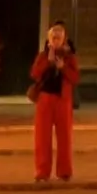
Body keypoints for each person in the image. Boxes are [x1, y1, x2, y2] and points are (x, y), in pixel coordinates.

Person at [30, 22, 79, 182]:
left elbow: (75, 78)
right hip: (45, 99)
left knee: (64, 136)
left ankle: (64, 171)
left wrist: (63, 67)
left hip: (62, 100)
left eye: (59, 37)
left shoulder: (70, 57)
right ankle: (42, 172)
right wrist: (48, 63)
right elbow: (34, 73)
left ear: (64, 39)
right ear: (48, 39)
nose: (56, 40)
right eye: (53, 37)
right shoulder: (42, 55)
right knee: (42, 136)